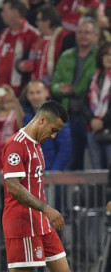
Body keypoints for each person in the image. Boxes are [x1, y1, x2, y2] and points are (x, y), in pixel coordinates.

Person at [2, 100, 71, 272]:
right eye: (53, 130)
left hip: (39, 221)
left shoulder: (36, 145)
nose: (53, 136)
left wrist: (43, 212)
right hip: (21, 221)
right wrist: (46, 208)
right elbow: (13, 186)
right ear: (42, 120)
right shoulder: (16, 144)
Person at [51, 17, 98, 170]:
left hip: (90, 116)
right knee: (71, 162)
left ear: (95, 36)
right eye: (80, 32)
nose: (83, 36)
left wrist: (73, 90)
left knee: (95, 162)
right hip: (69, 115)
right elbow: (54, 85)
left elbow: (94, 85)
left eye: (87, 33)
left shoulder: (100, 56)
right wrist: (60, 89)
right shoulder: (66, 55)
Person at [23, 79, 71, 171]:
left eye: (38, 92)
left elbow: (65, 150)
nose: (35, 96)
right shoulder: (27, 118)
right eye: (31, 93)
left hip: (51, 173)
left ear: (46, 92)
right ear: (27, 96)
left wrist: (53, 174)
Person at [0, 0, 39, 95]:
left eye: (4, 11)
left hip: (20, 92)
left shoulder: (33, 35)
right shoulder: (3, 34)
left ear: (16, 13)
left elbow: (34, 66)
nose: (2, 15)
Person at [84, 41, 111, 169]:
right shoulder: (93, 78)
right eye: (106, 54)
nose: (108, 58)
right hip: (93, 129)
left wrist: (102, 121)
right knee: (96, 170)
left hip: (108, 128)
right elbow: (85, 103)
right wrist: (92, 120)